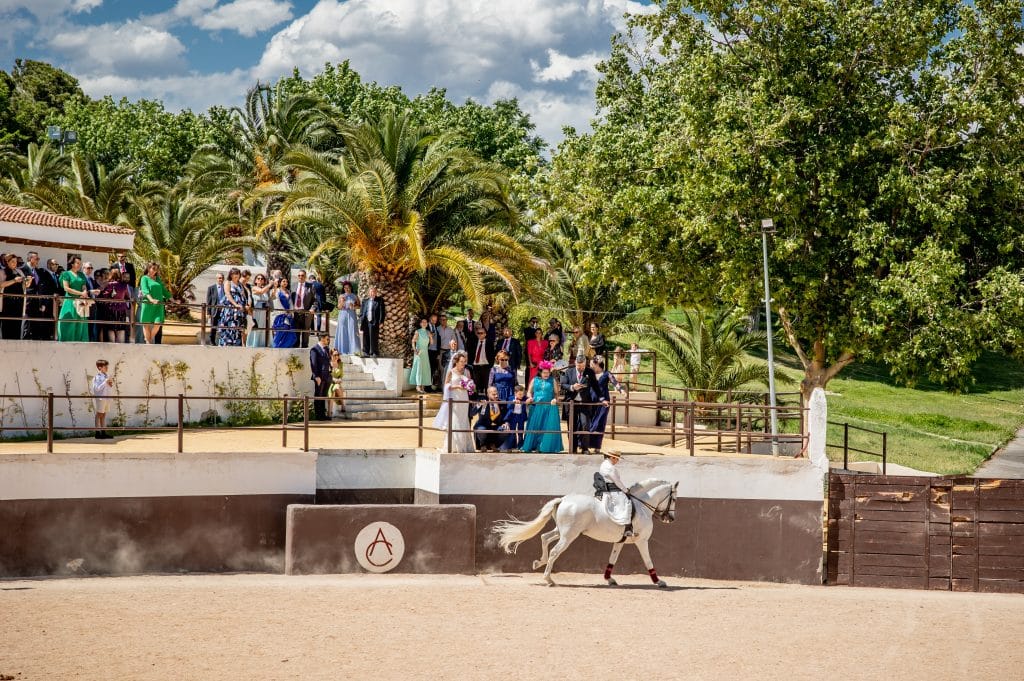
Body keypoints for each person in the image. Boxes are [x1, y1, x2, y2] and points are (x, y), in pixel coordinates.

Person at [434, 351, 475, 452]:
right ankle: (454, 446)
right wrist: (457, 386)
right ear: (456, 362)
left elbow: (471, 384)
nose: (463, 363)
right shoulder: (451, 372)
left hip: (464, 398)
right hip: (455, 398)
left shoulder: (467, 371)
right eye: (461, 361)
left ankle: (464, 446)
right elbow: (446, 385)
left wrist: (471, 386)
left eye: (464, 361)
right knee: (455, 420)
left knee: (464, 420)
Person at [521, 360, 562, 453]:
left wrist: (555, 399)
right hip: (536, 407)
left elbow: (556, 394)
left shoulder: (553, 380)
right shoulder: (535, 380)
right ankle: (532, 446)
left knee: (546, 427)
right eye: (544, 372)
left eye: (548, 372)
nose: (546, 374)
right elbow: (528, 392)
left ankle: (543, 446)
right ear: (540, 372)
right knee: (535, 426)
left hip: (548, 407)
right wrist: (530, 397)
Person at [561, 354, 597, 454]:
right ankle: (573, 447)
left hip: (585, 402)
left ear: (585, 364)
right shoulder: (568, 371)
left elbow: (595, 386)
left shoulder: (590, 372)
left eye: (583, 366)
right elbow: (563, 384)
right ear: (575, 363)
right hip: (571, 403)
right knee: (572, 426)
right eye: (579, 366)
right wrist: (572, 387)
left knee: (585, 424)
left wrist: (602, 399)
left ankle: (585, 448)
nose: (581, 368)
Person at [589, 355, 623, 454]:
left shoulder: (606, 373)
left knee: (599, 424)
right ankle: (588, 445)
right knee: (590, 423)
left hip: (603, 403)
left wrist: (621, 390)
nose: (590, 365)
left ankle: (597, 446)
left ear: (597, 364)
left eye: (592, 363)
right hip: (591, 402)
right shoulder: (590, 373)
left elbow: (614, 382)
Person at [20, 250, 57, 341]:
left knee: (35, 325)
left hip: (38, 302)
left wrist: (43, 302)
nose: (38, 260)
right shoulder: (22, 270)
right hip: (27, 301)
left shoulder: (39, 271)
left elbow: (42, 288)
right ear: (30, 259)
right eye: (37, 258)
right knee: (27, 324)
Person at [598, 451, 635, 537]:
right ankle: (627, 528)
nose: (617, 461)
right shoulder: (610, 467)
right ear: (612, 457)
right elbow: (617, 481)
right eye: (617, 459)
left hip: (608, 489)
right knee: (628, 502)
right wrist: (626, 490)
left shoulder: (604, 464)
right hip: (613, 490)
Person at [57, 256, 92, 343]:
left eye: (80, 263)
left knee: (80, 323)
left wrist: (84, 293)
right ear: (72, 264)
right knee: (69, 323)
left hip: (80, 302)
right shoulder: (66, 274)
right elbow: (66, 288)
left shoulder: (81, 275)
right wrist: (80, 293)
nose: (79, 265)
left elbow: (84, 286)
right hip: (70, 301)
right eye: (77, 263)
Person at [98, 269, 131, 344]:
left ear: (111, 275)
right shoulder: (124, 285)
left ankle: (112, 346)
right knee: (121, 329)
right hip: (121, 310)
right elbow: (127, 297)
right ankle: (120, 347)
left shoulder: (109, 284)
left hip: (111, 310)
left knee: (111, 329)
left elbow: (105, 296)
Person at [138, 262, 168, 345]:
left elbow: (164, 290)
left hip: (158, 304)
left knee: (158, 323)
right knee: (146, 324)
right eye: (153, 269)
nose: (155, 271)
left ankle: (149, 339)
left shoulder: (157, 278)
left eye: (156, 269)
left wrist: (172, 299)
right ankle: (148, 343)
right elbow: (145, 290)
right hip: (148, 304)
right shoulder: (144, 278)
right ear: (148, 268)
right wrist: (151, 300)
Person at [0, 252, 26, 340]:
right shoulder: (2, 271)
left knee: (17, 324)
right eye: (12, 261)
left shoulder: (19, 271)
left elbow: (25, 285)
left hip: (19, 302)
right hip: (7, 302)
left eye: (16, 261)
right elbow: (1, 284)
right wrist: (14, 280)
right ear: (7, 262)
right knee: (7, 324)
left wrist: (28, 281)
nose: (15, 263)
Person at [474, 385, 508, 452]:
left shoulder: (501, 403)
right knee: (482, 430)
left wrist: (506, 423)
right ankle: (483, 445)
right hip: (483, 425)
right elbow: (471, 413)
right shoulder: (483, 402)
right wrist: (479, 405)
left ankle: (494, 445)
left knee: (505, 430)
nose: (496, 396)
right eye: (493, 394)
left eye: (497, 394)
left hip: (496, 426)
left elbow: (505, 416)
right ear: (488, 394)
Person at [217, 268, 246, 347]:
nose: (236, 275)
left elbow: (243, 295)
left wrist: (244, 304)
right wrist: (235, 304)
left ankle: (236, 343)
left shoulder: (240, 284)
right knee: (229, 325)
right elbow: (228, 294)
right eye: (234, 274)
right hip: (230, 309)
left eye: (237, 273)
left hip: (239, 311)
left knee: (237, 326)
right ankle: (226, 343)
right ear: (231, 275)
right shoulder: (228, 283)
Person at [332, 281, 360, 355]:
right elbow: (339, 307)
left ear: (350, 287)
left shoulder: (355, 296)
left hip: (352, 315)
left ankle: (354, 350)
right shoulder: (341, 296)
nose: (346, 289)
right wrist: (342, 303)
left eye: (348, 287)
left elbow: (359, 306)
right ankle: (342, 350)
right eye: (345, 288)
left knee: (352, 331)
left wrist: (353, 306)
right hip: (343, 314)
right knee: (342, 331)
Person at [310, 333, 332, 421]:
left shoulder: (326, 349)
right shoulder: (314, 350)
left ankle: (323, 414)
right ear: (322, 339)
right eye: (327, 339)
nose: (328, 340)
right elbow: (313, 364)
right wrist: (316, 376)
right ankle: (318, 415)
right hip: (319, 377)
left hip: (327, 376)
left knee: (323, 395)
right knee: (318, 395)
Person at [247, 273, 272, 348]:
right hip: (257, 310)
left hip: (264, 311)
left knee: (263, 327)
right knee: (256, 327)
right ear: (255, 280)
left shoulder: (265, 289)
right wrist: (270, 284)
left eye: (262, 279)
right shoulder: (254, 288)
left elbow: (270, 297)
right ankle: (253, 344)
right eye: (258, 278)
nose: (260, 280)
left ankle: (263, 343)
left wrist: (274, 287)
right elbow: (261, 291)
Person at [271, 277, 298, 348]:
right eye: (283, 281)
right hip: (280, 315)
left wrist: (291, 312)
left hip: (288, 315)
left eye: (286, 281)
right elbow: (276, 302)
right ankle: (276, 347)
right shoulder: (277, 291)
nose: (285, 283)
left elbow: (290, 303)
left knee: (290, 334)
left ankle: (284, 347)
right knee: (281, 331)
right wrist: (283, 311)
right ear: (280, 282)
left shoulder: (288, 291)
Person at [90, 359, 114, 439]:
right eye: (105, 366)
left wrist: (110, 384)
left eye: (107, 366)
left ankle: (103, 432)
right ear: (100, 367)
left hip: (107, 398)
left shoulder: (106, 376)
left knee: (103, 414)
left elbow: (107, 387)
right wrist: (105, 382)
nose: (107, 367)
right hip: (101, 398)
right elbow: (97, 388)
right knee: (99, 414)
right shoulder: (97, 377)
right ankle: (97, 433)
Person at [500, 384, 528, 451]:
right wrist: (513, 403)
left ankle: (520, 446)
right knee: (512, 431)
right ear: (515, 393)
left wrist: (530, 399)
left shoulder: (524, 398)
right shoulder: (511, 398)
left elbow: (530, 400)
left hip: (521, 416)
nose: (521, 396)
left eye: (522, 394)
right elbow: (508, 407)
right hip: (513, 417)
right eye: (520, 394)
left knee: (520, 431)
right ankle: (512, 445)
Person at [409, 316, 433, 393]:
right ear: (420, 323)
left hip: (425, 352)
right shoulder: (417, 331)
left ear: (427, 324)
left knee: (425, 369)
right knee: (419, 368)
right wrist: (415, 350)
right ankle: (418, 386)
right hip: (419, 352)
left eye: (425, 322)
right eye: (422, 322)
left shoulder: (428, 332)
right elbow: (413, 341)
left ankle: (422, 386)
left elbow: (432, 343)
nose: (424, 323)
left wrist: (431, 337)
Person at [292, 270, 315, 348]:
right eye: (299, 275)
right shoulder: (293, 286)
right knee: (296, 332)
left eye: (302, 275)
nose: (300, 277)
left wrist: (312, 308)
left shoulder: (310, 286)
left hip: (306, 313)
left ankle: (305, 349)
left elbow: (315, 300)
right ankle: (296, 350)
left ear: (305, 276)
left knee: (305, 332)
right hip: (296, 312)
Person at [359, 286, 384, 357]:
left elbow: (382, 312)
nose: (372, 293)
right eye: (371, 292)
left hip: (374, 321)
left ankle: (374, 352)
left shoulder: (379, 300)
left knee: (374, 336)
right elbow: (362, 311)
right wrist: (361, 318)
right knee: (365, 337)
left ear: (376, 293)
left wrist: (381, 322)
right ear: (369, 293)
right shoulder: (365, 300)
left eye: (374, 292)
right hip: (365, 321)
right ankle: (366, 352)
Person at [470, 326, 492, 397]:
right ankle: (476, 400)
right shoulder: (473, 342)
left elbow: (492, 355)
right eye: (478, 333)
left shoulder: (489, 343)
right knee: (476, 384)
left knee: (486, 384)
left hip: (486, 366)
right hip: (476, 366)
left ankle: (487, 401)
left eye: (481, 333)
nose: (480, 334)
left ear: (485, 334)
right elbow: (471, 354)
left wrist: (490, 365)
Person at [206, 273, 224, 345]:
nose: (221, 279)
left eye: (222, 278)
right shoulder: (211, 288)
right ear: (216, 279)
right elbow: (209, 301)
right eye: (219, 278)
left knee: (223, 326)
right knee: (213, 326)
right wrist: (208, 312)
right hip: (215, 310)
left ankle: (222, 341)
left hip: (224, 310)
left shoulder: (226, 287)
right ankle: (212, 341)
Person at [328, 348, 346, 417]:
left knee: (337, 387)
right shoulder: (329, 364)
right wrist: (334, 379)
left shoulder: (340, 364)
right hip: (329, 383)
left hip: (337, 383)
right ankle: (330, 412)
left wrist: (340, 379)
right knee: (332, 391)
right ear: (331, 355)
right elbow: (328, 374)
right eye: (335, 355)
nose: (336, 356)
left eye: (338, 355)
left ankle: (330, 412)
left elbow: (341, 375)